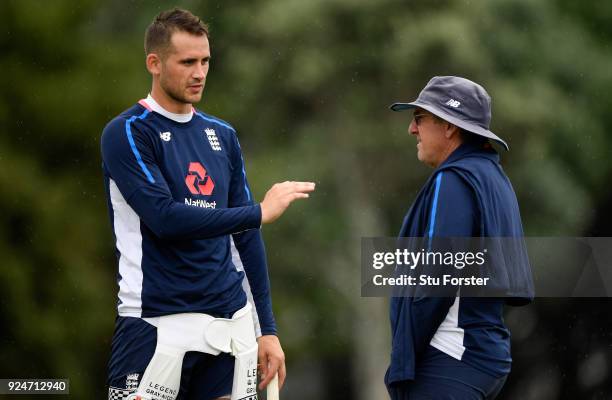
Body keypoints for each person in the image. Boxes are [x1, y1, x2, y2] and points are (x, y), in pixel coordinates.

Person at [101, 8, 315, 400]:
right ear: (154, 63)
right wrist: (259, 212)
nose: (199, 72)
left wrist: (266, 328)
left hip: (229, 325)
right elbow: (164, 218)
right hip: (153, 325)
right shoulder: (127, 132)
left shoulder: (222, 134)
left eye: (205, 62)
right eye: (187, 62)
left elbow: (245, 239)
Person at [385, 76, 532, 399]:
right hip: (477, 355)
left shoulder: (453, 180)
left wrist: (405, 360)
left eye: (419, 118)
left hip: (450, 356)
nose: (412, 129)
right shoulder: (492, 175)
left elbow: (438, 278)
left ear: (449, 126)